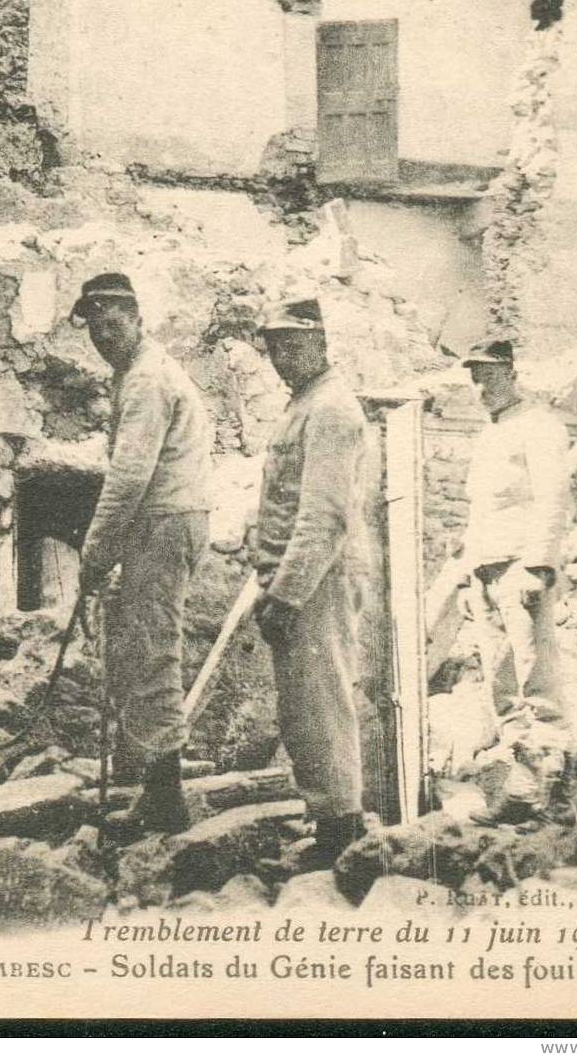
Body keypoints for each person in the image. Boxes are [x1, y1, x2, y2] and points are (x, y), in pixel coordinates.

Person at [72, 273, 212, 834]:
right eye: (94, 328)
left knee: (153, 649)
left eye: (113, 323)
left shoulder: (148, 379)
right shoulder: (135, 373)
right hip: (163, 520)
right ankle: (153, 780)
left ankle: (165, 797)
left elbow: (130, 475)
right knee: (141, 648)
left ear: (136, 318)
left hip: (164, 520)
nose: (103, 336)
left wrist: (95, 549)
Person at [252, 297, 368, 868]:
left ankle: (342, 830)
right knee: (302, 705)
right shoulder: (304, 405)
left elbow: (324, 515)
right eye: (273, 346)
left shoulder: (331, 409)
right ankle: (328, 819)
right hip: (293, 577)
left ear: (320, 341)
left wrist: (287, 593)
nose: (281, 356)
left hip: (316, 580)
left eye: (293, 344)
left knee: (320, 702)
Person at [457, 337, 575, 825]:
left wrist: (539, 565)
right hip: (487, 570)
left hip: (520, 570)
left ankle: (559, 798)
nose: (480, 385)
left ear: (510, 371)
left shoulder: (540, 426)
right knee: (503, 687)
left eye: (487, 374)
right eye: (474, 376)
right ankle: (523, 792)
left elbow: (554, 498)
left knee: (537, 686)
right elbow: (483, 510)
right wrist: (470, 575)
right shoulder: (492, 433)